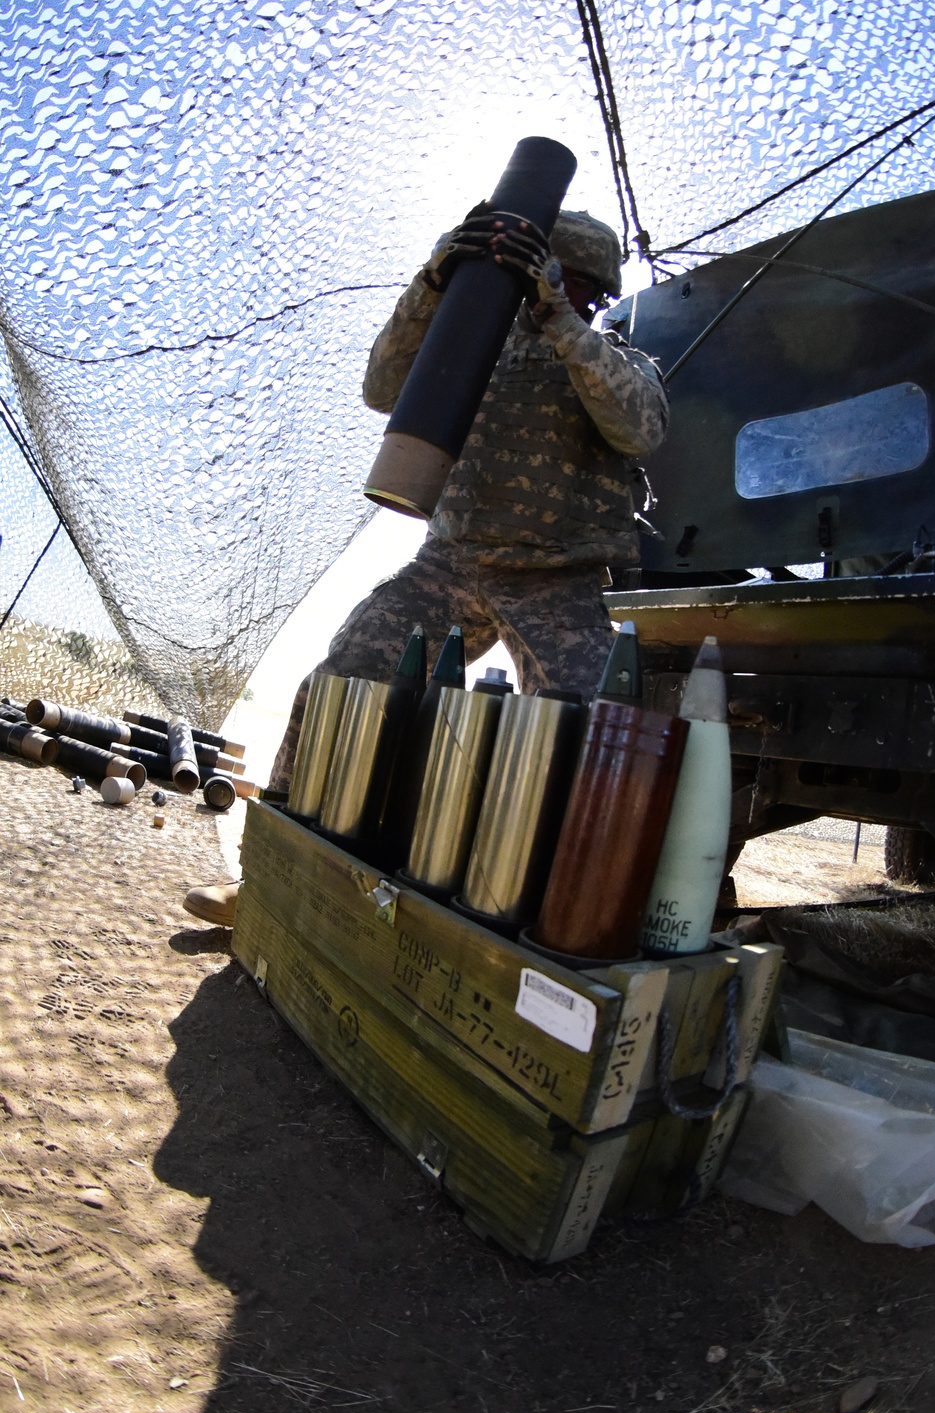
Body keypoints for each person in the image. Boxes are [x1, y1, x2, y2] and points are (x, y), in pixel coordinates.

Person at [183, 204, 667, 926]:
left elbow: (642, 427)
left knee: (588, 735)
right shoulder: (474, 343)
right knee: (341, 678)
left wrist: (563, 324)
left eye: (577, 285)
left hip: (558, 579)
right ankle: (266, 880)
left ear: (591, 292)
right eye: (550, 275)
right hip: (451, 563)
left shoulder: (613, 360)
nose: (557, 290)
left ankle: (549, 920)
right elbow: (382, 387)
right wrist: (435, 280)